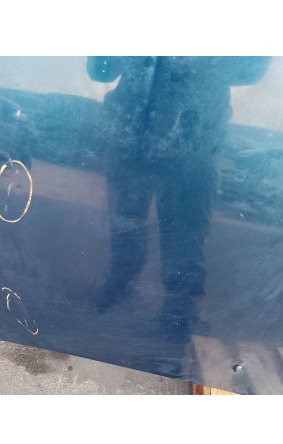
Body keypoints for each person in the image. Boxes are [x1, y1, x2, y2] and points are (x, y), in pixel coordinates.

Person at [87, 56, 270, 312]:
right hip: (136, 138)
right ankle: (128, 293)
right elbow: (100, 71)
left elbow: (251, 69)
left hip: (191, 143)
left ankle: (178, 316)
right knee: (127, 233)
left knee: (184, 250)